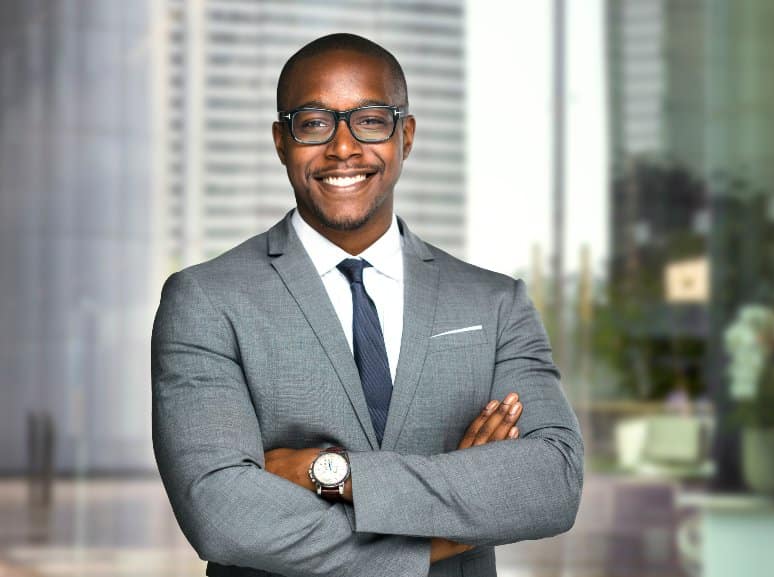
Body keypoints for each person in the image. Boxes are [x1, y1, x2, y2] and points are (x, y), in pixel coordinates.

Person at [151, 33, 583, 577]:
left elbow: (553, 483)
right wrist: (444, 530)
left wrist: (328, 472)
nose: (343, 148)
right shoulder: (207, 299)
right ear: (281, 142)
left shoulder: (495, 302)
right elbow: (221, 511)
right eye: (313, 123)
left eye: (371, 120)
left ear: (406, 135)